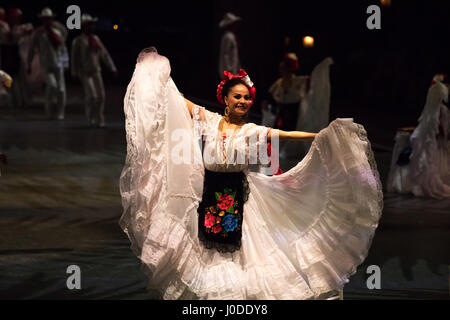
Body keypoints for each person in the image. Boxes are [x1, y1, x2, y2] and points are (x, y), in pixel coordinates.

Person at [119, 49, 382, 300]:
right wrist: (155, 71)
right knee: (206, 248)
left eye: (247, 98)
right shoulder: (208, 120)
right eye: (238, 97)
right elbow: (175, 100)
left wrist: (322, 134)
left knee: (242, 251)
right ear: (225, 99)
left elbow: (286, 134)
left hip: (240, 196)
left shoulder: (252, 130)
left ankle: (236, 294)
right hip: (208, 193)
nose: (243, 102)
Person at [387, 74, 450, 198]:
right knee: (422, 158)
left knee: (424, 158)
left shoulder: (436, 110)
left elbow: (439, 129)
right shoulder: (434, 111)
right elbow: (437, 129)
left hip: (430, 141)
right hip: (428, 141)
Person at [71, 13, 117, 128]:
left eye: (92, 25)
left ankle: (99, 119)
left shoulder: (95, 39)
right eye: (89, 25)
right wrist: (74, 72)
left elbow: (104, 54)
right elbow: (74, 57)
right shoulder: (78, 41)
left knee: (101, 95)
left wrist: (112, 67)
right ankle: (91, 118)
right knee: (91, 95)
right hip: (85, 72)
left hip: (96, 70)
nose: (91, 27)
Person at [27, 7, 68, 120]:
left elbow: (63, 48)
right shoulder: (38, 34)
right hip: (46, 64)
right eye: (45, 19)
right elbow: (31, 49)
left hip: (58, 63)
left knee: (61, 89)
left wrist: (65, 63)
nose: (47, 21)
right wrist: (29, 64)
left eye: (48, 19)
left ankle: (60, 112)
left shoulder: (57, 32)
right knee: (52, 85)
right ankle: (49, 110)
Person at [218, 12, 241, 78]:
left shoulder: (229, 36)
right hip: (230, 71)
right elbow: (226, 54)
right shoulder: (228, 36)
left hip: (233, 70)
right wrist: (229, 69)